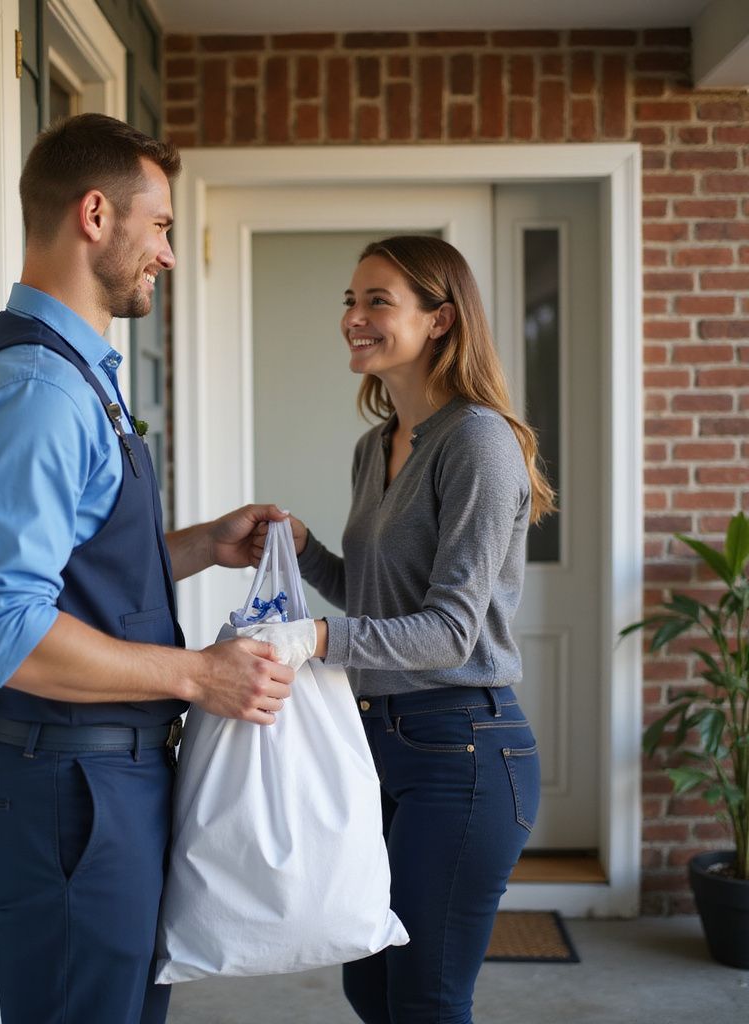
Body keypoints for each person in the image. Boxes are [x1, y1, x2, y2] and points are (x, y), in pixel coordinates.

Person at [0, 113, 294, 1024]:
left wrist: (200, 545)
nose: (168, 255)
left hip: (105, 781)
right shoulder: (39, 390)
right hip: (70, 793)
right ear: (96, 215)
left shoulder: (80, 373)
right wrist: (199, 675)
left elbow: (75, 567)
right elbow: (2, 632)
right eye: (163, 226)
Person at [248, 235, 553, 1024]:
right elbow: (378, 599)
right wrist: (304, 550)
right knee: (367, 983)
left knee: (425, 996)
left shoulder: (478, 442)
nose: (354, 317)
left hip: (465, 752)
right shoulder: (374, 447)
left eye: (377, 300)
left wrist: (316, 641)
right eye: (350, 301)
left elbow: (450, 632)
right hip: (378, 741)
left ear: (441, 319)